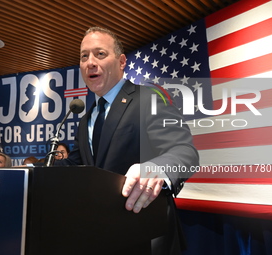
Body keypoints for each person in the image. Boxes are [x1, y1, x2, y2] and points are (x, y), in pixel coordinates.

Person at [55, 27, 199, 255]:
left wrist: (156, 168)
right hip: (101, 236)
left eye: (100, 54)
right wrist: (32, 170)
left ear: (122, 62)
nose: (90, 62)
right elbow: (76, 165)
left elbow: (185, 152)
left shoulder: (149, 98)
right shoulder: (86, 119)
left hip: (147, 237)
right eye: (84, 56)